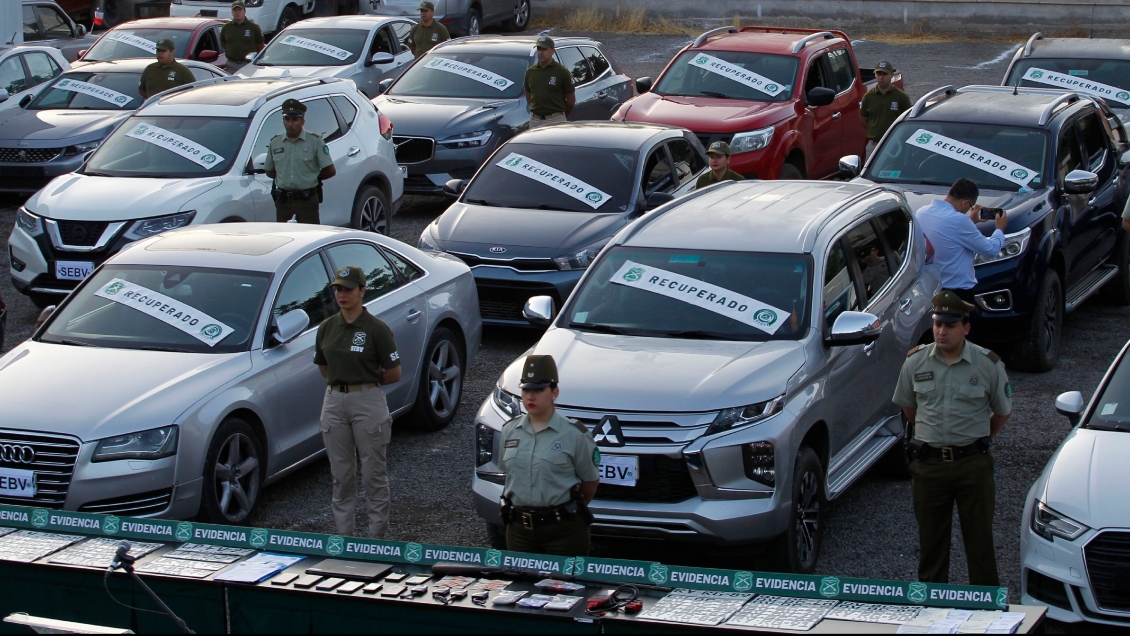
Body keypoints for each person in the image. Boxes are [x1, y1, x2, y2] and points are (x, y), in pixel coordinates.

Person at [893, 290, 1011, 587]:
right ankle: (932, 612)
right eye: (937, 324)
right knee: (931, 544)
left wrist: (979, 438)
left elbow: (1002, 412)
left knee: (980, 542)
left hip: (973, 464)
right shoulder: (916, 362)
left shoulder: (988, 365)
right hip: (929, 466)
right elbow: (909, 408)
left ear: (966, 328)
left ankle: (985, 615)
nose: (941, 331)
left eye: (949, 325)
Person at [314, 265, 402, 538]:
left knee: (373, 473)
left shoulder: (377, 329)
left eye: (348, 289)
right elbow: (324, 366)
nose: (342, 294)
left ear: (362, 291)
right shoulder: (327, 327)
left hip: (367, 399)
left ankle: (375, 541)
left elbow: (393, 373)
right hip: (334, 401)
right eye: (338, 289)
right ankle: (344, 540)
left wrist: (362, 382)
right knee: (341, 474)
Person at [498, 355, 600, 556]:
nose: (530, 397)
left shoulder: (574, 434)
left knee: (563, 586)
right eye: (526, 389)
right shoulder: (510, 431)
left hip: (563, 531)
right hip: (519, 530)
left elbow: (590, 482)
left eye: (539, 390)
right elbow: (508, 476)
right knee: (520, 585)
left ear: (555, 392)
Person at [915, 178, 1007, 305]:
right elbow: (991, 250)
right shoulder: (959, 221)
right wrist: (999, 229)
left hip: (931, 288)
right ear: (965, 203)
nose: (969, 210)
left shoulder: (922, 212)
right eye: (970, 206)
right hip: (957, 292)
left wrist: (970, 221)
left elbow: (949, 233)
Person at [264, 99, 336, 224]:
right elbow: (269, 171)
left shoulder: (315, 141)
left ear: (302, 121)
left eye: (294, 120)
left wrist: (310, 177)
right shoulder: (275, 142)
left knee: (310, 236)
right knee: (285, 238)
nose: (290, 124)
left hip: (306, 200)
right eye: (287, 120)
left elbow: (330, 170)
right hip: (283, 202)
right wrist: (284, 176)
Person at [859, 60, 910, 159]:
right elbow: (863, 119)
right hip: (874, 145)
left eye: (885, 74)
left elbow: (908, 120)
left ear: (891, 74)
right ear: (875, 75)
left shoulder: (901, 97)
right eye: (878, 73)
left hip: (895, 144)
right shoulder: (868, 97)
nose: (881, 77)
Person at [524, 35, 574, 129]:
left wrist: (560, 117)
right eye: (539, 49)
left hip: (555, 120)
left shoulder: (561, 72)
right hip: (535, 120)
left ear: (552, 51)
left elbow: (571, 100)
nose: (541, 52)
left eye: (544, 49)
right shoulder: (530, 72)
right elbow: (529, 96)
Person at [220, 1, 264, 74]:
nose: (237, 12)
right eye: (235, 10)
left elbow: (260, 45)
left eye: (239, 10)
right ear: (232, 12)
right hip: (231, 64)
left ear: (244, 11)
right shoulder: (226, 27)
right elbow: (223, 42)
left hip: (248, 64)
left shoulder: (253, 27)